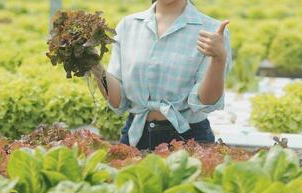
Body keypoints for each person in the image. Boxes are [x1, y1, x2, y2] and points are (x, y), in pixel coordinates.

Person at [91, 0, 232, 150]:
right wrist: (94, 63)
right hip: (136, 137)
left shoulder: (211, 31)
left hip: (189, 138)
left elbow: (206, 101)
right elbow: (117, 100)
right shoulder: (128, 26)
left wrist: (218, 59)